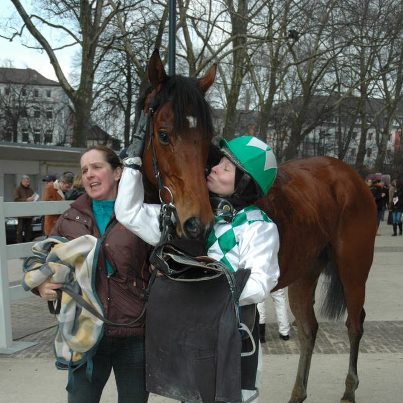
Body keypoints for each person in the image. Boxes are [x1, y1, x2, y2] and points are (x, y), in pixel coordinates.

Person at [115, 134, 280, 402]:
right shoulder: (190, 213)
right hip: (191, 336)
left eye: (225, 168)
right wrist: (132, 167)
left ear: (245, 183)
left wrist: (206, 287)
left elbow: (260, 283)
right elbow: (129, 214)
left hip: (230, 340)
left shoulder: (259, 227)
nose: (213, 168)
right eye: (219, 163)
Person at [29, 145, 151, 403]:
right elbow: (42, 257)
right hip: (85, 332)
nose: (89, 175)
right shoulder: (71, 217)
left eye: (97, 167)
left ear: (118, 172)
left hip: (133, 331)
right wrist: (41, 285)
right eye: (85, 170)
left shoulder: (142, 216)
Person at [42, 171, 74, 236]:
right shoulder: (50, 188)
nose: (68, 189)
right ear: (62, 182)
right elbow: (46, 205)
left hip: (62, 225)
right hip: (52, 225)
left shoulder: (64, 191)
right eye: (67, 187)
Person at [14, 174, 36, 243]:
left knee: (29, 230)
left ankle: (28, 243)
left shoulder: (30, 190)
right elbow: (16, 199)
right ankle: (19, 244)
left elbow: (33, 199)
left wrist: (34, 199)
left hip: (29, 214)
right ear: (22, 181)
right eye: (26, 182)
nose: (28, 183)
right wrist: (26, 200)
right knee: (20, 230)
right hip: (21, 213)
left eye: (28, 182)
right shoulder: (18, 189)